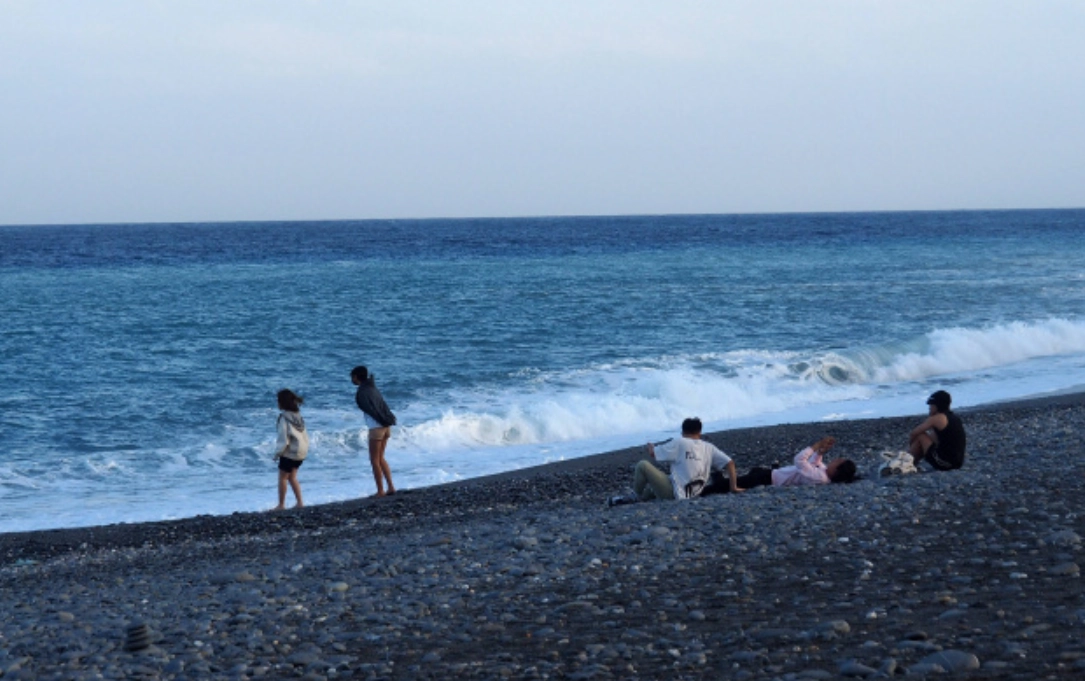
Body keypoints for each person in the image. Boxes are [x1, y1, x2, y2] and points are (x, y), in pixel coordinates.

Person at [630, 417, 743, 502]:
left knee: (642, 465)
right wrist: (733, 487)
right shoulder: (709, 447)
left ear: (683, 431)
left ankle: (634, 496)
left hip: (676, 494)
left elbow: (653, 454)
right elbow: (730, 463)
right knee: (656, 485)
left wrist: (650, 446)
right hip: (695, 492)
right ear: (699, 432)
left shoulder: (680, 442)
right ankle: (642, 499)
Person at [730, 437, 857, 490]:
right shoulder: (823, 472)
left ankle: (713, 486)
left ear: (836, 471)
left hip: (771, 479)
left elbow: (799, 460)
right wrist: (820, 451)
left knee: (734, 483)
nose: (835, 459)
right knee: (755, 470)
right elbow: (814, 463)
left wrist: (815, 446)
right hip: (774, 474)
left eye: (838, 462)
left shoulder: (820, 477)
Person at [351, 365, 398, 496]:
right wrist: (387, 420)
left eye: (352, 377)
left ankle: (380, 490)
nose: (352, 379)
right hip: (386, 426)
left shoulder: (362, 392)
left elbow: (371, 410)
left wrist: (381, 421)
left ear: (356, 377)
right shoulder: (372, 387)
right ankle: (391, 487)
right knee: (381, 458)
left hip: (376, 428)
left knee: (374, 460)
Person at [908, 389, 967, 470]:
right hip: (957, 463)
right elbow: (937, 440)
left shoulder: (937, 418)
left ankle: (907, 462)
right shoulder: (953, 417)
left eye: (931, 405)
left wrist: (911, 446)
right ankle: (910, 461)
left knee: (921, 436)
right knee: (927, 437)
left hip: (946, 463)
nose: (929, 408)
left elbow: (913, 433)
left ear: (937, 406)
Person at [273, 389, 309, 510]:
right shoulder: (298, 416)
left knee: (282, 477)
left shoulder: (284, 417)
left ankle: (281, 504)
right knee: (292, 477)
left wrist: (277, 453)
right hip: (301, 451)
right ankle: (300, 502)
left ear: (282, 403)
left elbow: (284, 439)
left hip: (290, 452)